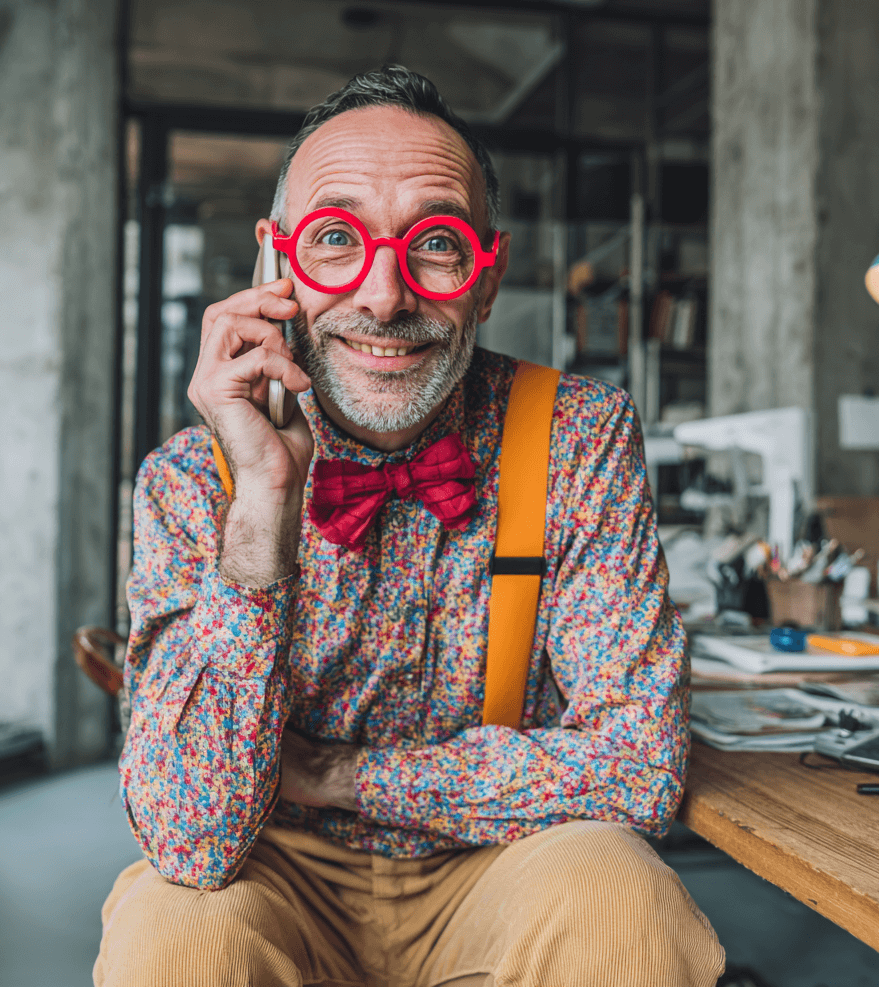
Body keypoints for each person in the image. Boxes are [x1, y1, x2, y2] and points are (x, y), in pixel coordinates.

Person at [94, 66, 724, 987]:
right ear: (276, 263)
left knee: (618, 900)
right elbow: (191, 838)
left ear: (488, 276)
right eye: (338, 238)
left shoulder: (579, 439)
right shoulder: (191, 481)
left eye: (433, 243)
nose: (385, 297)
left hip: (508, 855)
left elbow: (639, 768)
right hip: (275, 867)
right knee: (171, 936)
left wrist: (340, 776)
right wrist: (262, 507)